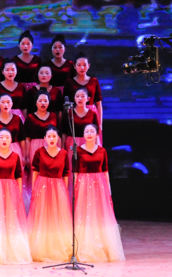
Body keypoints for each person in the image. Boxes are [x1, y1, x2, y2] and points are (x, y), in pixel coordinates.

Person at [74, 124, 124, 263]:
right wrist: (76, 188)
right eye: (87, 131)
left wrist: (108, 189)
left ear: (97, 135)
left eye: (92, 131)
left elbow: (105, 171)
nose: (89, 134)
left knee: (99, 214)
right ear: (83, 135)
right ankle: (85, 248)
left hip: (99, 184)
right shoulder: (78, 150)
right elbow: (75, 172)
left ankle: (102, 247)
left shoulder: (102, 151)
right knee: (85, 215)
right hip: (84, 184)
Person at [0, 130, 32, 264]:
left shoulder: (15, 156)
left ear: (11, 140)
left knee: (11, 219)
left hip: (11, 189)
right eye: (1, 137)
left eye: (7, 137)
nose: (4, 139)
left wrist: (19, 193)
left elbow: (19, 175)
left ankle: (12, 250)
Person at [28, 127, 72, 262]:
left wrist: (64, 190)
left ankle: (57, 247)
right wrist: (34, 188)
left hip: (58, 187)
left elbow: (66, 173)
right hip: (42, 186)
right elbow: (35, 171)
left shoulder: (64, 153)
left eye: (54, 136)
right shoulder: (39, 152)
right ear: (44, 138)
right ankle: (41, 248)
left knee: (57, 217)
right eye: (49, 136)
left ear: (58, 138)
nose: (51, 139)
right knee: (43, 216)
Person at [64, 53, 103, 131]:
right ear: (74, 66)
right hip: (75, 116)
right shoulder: (69, 82)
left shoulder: (94, 81)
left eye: (84, 65)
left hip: (91, 115)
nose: (82, 67)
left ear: (89, 66)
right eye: (79, 65)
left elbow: (98, 103)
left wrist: (100, 124)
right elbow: (65, 104)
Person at [61, 87, 102, 159]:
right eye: (77, 96)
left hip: (88, 143)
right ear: (74, 99)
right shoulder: (69, 113)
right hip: (71, 144)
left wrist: (98, 149)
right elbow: (64, 133)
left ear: (88, 99)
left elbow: (96, 135)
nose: (80, 98)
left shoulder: (92, 114)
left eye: (82, 96)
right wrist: (62, 149)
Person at [23, 91, 58, 172]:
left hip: (51, 147)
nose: (43, 103)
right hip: (35, 148)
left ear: (49, 103)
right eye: (40, 101)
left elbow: (58, 137)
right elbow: (27, 139)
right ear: (36, 103)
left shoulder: (54, 116)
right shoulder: (30, 118)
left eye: (45, 101)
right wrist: (27, 156)